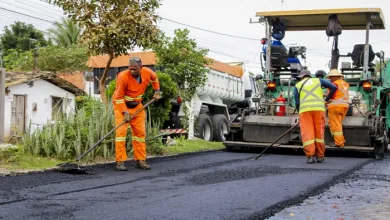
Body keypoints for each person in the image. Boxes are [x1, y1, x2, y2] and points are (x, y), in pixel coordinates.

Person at [112, 57, 162, 171]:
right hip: (122, 106)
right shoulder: (123, 77)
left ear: (141, 67)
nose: (132, 71)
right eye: (130, 69)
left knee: (140, 134)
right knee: (121, 134)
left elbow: (154, 78)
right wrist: (125, 112)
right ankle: (120, 162)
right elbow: (118, 98)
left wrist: (157, 91)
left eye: (135, 69)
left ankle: (141, 160)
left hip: (137, 106)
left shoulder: (147, 72)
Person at [294, 70, 337, 164]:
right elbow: (333, 87)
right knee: (319, 133)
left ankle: (310, 157)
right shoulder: (318, 80)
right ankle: (320, 156)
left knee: (307, 133)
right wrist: (326, 99)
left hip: (305, 111)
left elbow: (297, 103)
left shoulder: (297, 85)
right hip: (319, 110)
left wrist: (299, 112)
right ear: (309, 76)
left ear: (301, 77)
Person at [325, 69, 350, 148]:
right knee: (337, 124)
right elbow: (339, 94)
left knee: (336, 125)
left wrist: (326, 100)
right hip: (344, 106)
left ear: (335, 77)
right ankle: (340, 139)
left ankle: (339, 143)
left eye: (331, 77)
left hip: (335, 106)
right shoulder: (345, 84)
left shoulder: (334, 84)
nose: (330, 79)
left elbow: (333, 93)